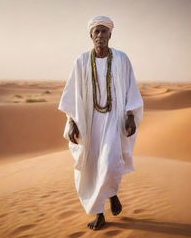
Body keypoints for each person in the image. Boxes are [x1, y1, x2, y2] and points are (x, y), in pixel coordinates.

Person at [58, 15, 144, 230]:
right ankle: (100, 210)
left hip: (114, 121)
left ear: (110, 34)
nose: (100, 35)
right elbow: (71, 94)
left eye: (104, 31)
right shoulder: (81, 61)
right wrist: (71, 121)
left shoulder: (122, 59)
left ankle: (109, 195)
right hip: (89, 122)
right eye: (96, 31)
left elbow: (131, 88)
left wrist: (130, 115)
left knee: (109, 161)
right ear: (91, 35)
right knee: (90, 167)